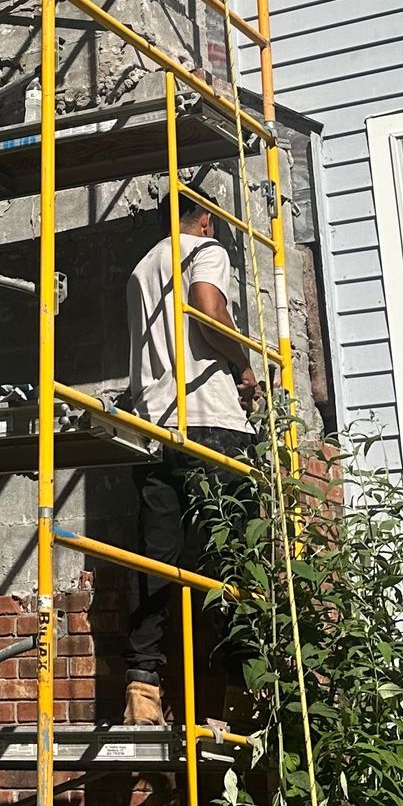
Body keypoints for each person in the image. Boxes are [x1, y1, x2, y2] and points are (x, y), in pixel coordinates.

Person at [123, 196, 260, 727]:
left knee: (158, 559)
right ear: (204, 219)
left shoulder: (141, 268)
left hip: (155, 427)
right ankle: (242, 692)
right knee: (233, 560)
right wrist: (244, 365)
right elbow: (207, 305)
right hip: (211, 424)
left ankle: (142, 687)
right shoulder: (204, 248)